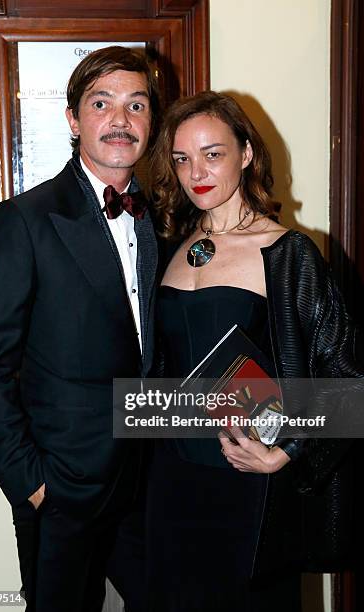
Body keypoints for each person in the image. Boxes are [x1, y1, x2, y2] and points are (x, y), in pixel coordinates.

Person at [0, 45, 160, 612]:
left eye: (137, 105)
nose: (121, 120)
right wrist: (31, 480)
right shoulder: (23, 221)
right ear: (73, 120)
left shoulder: (162, 219)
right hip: (60, 486)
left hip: (146, 479)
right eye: (102, 104)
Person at [146, 90, 362, 612]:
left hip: (248, 488)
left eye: (212, 153)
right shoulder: (169, 244)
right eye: (182, 158)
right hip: (171, 483)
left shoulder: (289, 254)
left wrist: (284, 453)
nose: (195, 170)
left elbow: (345, 379)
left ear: (246, 155)